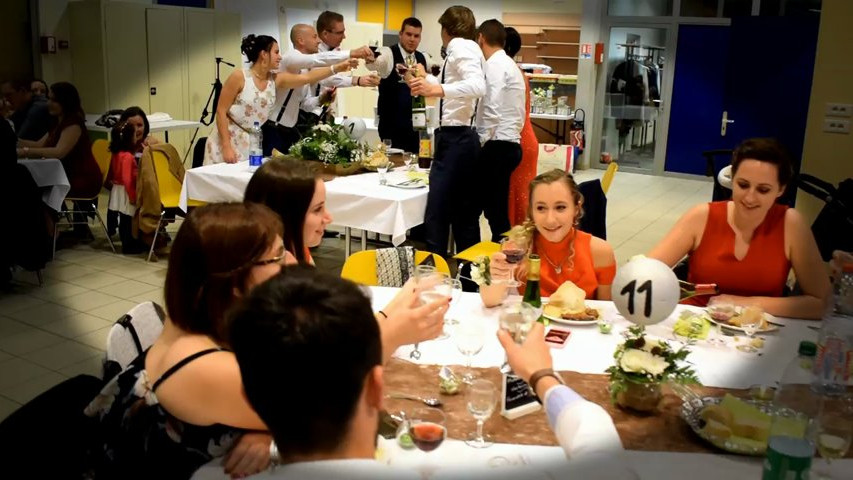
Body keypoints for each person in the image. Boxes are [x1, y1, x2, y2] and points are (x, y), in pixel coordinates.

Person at [85, 203, 297, 479]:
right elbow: (327, 413)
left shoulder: (197, 316)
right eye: (278, 257)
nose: (291, 262)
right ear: (233, 281)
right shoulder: (207, 366)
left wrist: (260, 427)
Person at [648, 138, 831, 320]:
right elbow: (643, 273)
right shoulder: (701, 216)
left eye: (763, 190)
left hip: (756, 333)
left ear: (780, 190)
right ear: (732, 179)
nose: (750, 198)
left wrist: (741, 303)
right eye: (743, 185)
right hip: (694, 325)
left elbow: (820, 303)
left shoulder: (791, 224)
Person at [203, 34, 357, 165]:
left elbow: (306, 77)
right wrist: (226, 146)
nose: (280, 57)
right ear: (264, 54)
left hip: (252, 141)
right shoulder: (239, 77)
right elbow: (221, 111)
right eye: (276, 52)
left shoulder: (276, 79)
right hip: (227, 139)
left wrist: (336, 68)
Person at [408, 6, 486, 258]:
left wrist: (436, 90)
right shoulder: (469, 48)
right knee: (463, 214)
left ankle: (434, 271)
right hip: (462, 138)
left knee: (437, 213)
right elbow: (458, 89)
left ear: (445, 29)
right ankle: (469, 278)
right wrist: (426, 82)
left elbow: (476, 86)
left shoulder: (460, 47)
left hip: (455, 138)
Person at [480, 169, 616, 307]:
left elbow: (606, 312)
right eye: (541, 208)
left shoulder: (600, 252)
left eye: (560, 207)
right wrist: (495, 276)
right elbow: (490, 302)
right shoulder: (518, 247)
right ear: (531, 211)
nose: (550, 220)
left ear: (576, 209)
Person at [263, 24, 372, 156]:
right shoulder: (290, 57)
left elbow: (304, 104)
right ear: (301, 40)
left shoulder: (304, 68)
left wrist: (321, 99)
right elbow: (317, 60)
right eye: (315, 37)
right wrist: (352, 53)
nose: (319, 41)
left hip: (290, 131)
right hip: (273, 129)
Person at [16, 82, 102, 240]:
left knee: (38, 189)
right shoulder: (57, 122)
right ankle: (48, 233)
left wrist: (25, 152)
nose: (49, 103)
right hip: (68, 174)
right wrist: (15, 140)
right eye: (49, 99)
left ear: (65, 102)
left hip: (82, 177)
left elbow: (59, 152)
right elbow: (39, 145)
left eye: (53, 100)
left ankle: (49, 234)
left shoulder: (73, 124)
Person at [475, 19, 526, 242]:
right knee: (494, 208)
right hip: (510, 143)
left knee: (494, 212)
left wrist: (480, 140)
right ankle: (503, 256)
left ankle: (504, 260)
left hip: (498, 146)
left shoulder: (495, 65)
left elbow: (492, 107)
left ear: (481, 38)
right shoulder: (510, 65)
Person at [373, 17, 432, 154]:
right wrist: (372, 59)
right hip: (391, 126)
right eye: (408, 34)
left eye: (416, 36)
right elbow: (374, 63)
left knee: (414, 167)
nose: (412, 39)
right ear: (400, 34)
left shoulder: (422, 58)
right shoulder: (388, 54)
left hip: (416, 126)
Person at [504, 27, 539, 227]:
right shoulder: (517, 72)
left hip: (518, 141)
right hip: (526, 138)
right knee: (519, 199)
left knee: (517, 202)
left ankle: (518, 250)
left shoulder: (507, 72)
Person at [107, 121, 145, 254]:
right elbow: (127, 178)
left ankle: (126, 243)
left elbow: (113, 173)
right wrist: (133, 196)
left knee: (124, 218)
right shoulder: (128, 157)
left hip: (117, 188)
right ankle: (129, 245)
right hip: (126, 190)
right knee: (128, 219)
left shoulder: (116, 154)